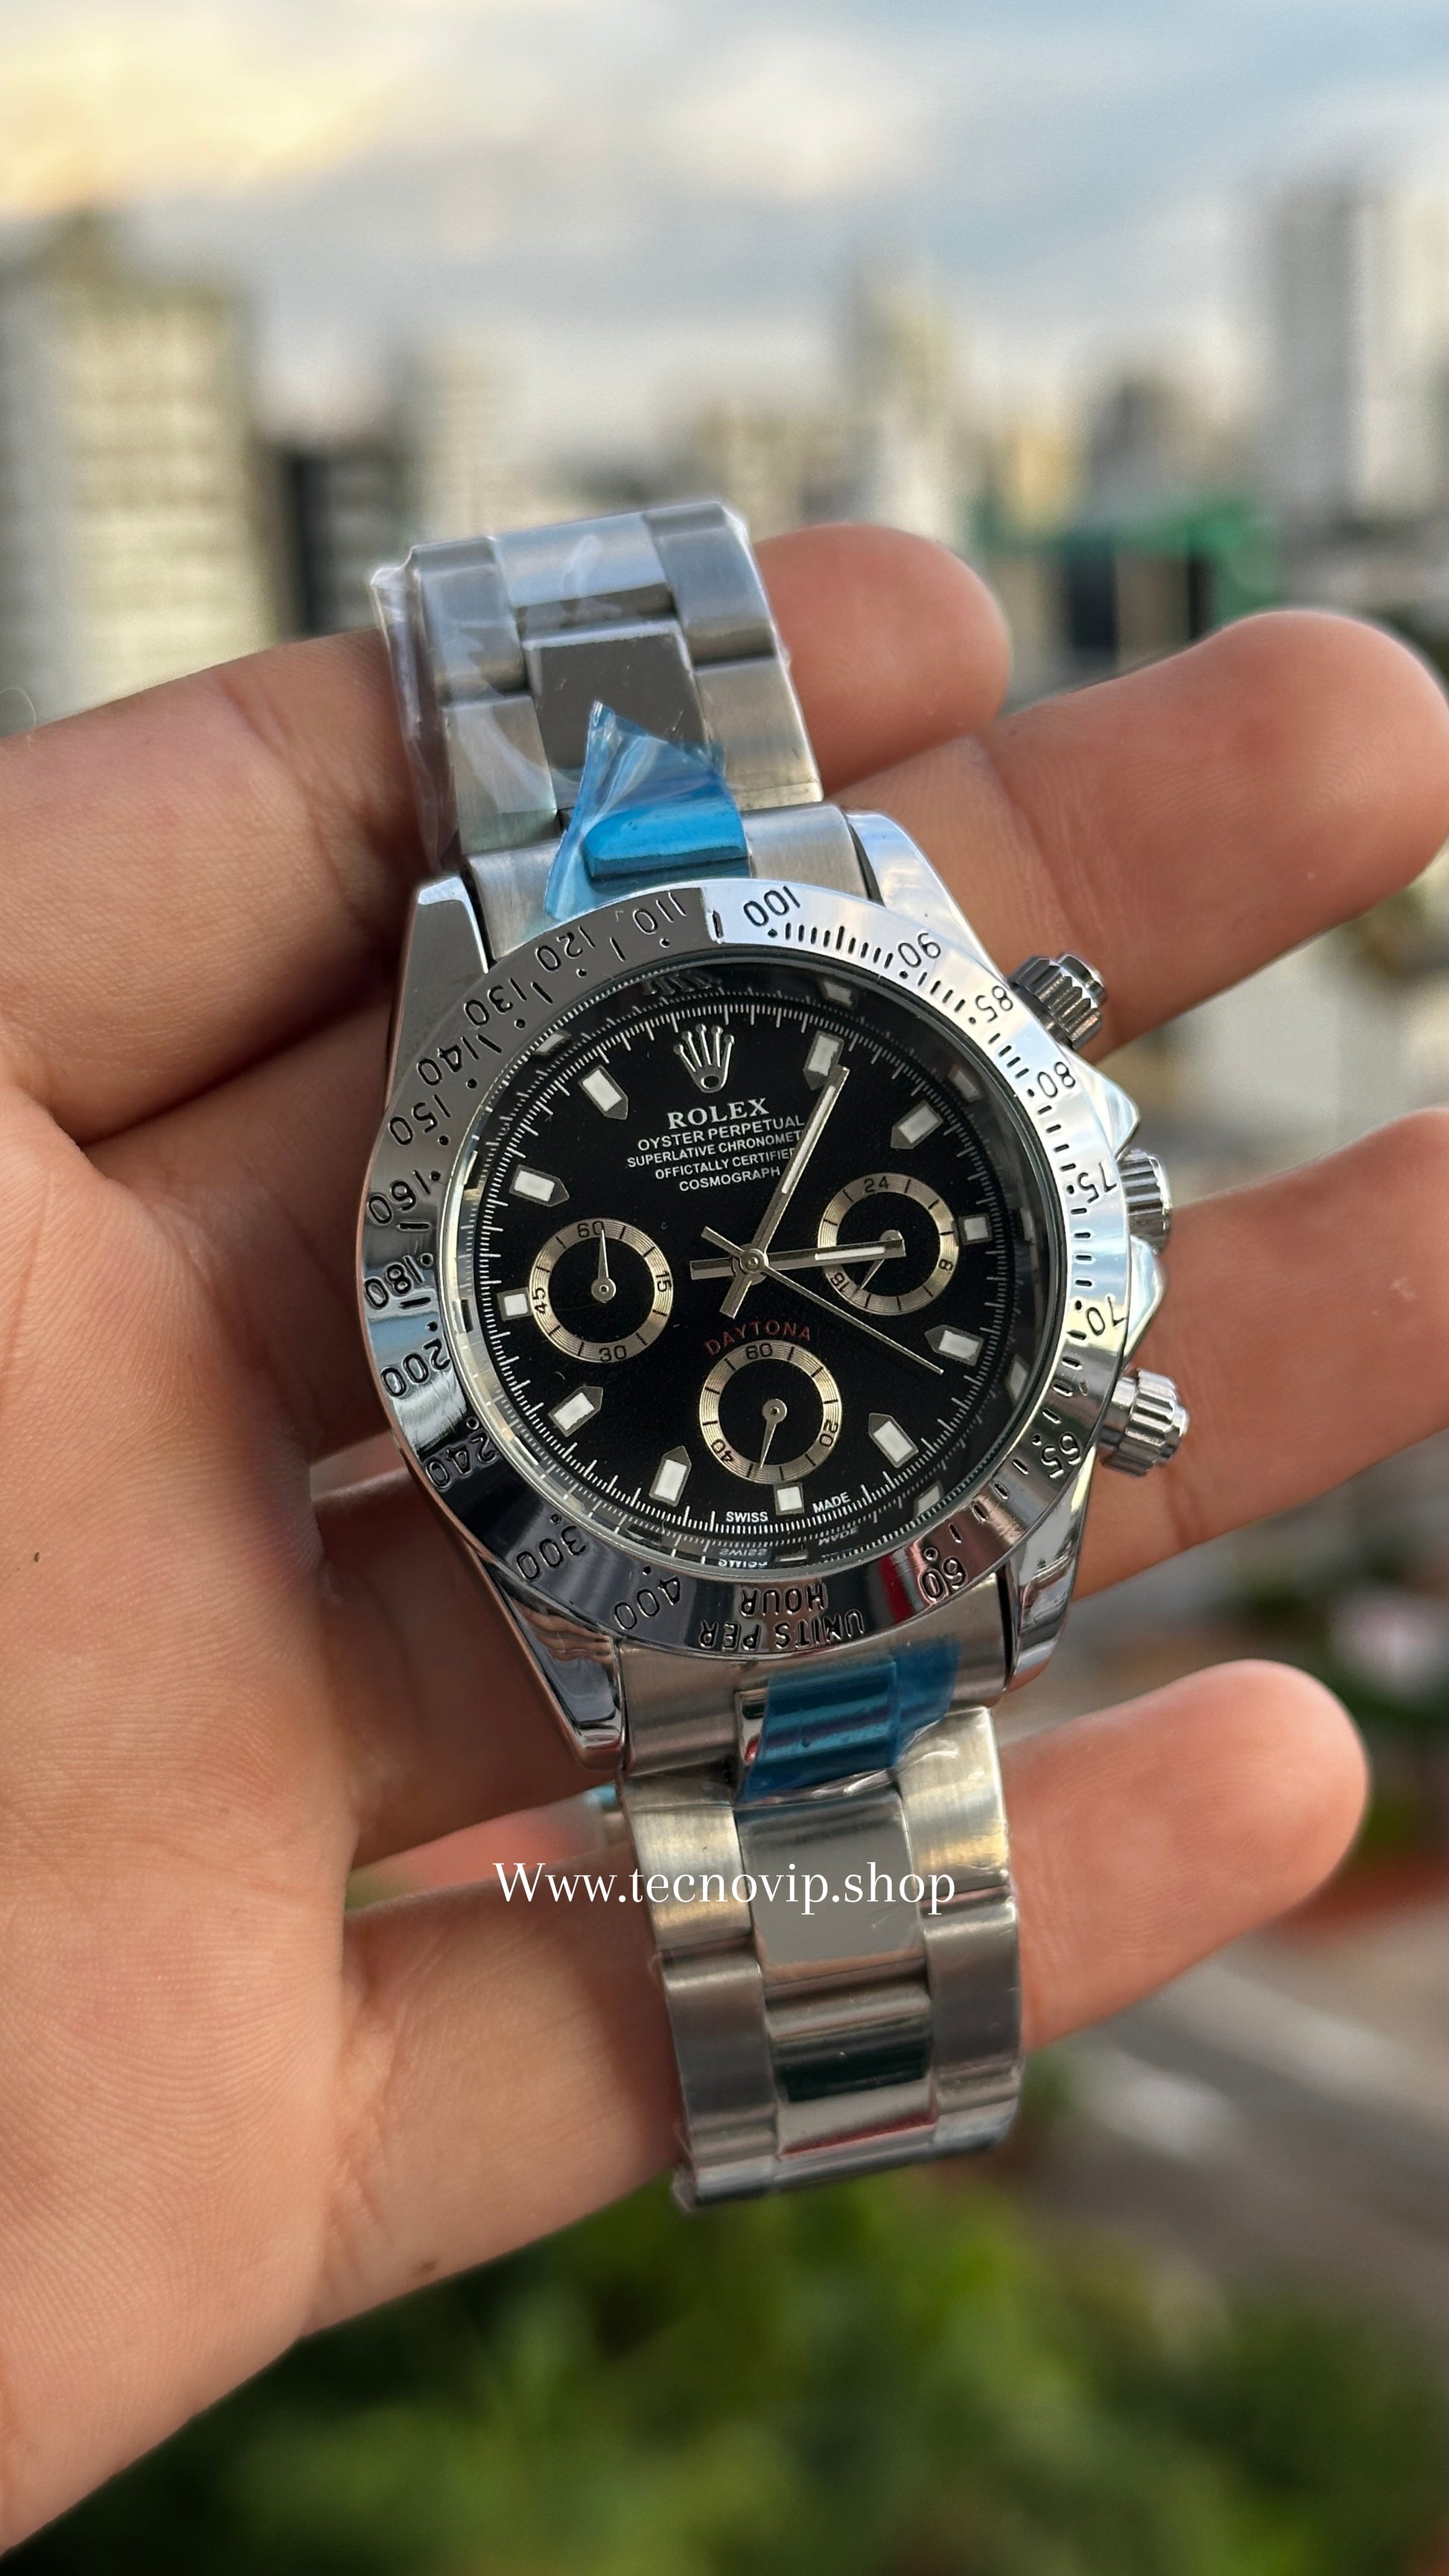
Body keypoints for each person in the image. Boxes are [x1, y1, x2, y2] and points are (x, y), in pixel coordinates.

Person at [0, 523, 1443, 2541]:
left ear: (1074, 1170)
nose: (759, 1275)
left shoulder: (955, 1091)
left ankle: (852, 2073)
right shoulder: (487, 1107)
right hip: (680, 1557)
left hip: (792, 1519)